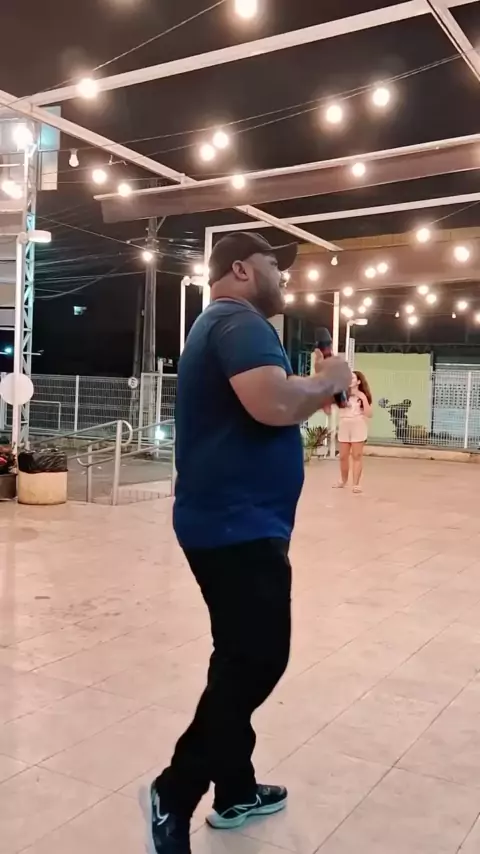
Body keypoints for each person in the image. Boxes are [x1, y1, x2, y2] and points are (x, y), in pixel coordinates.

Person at [149, 231, 352, 854]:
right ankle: (175, 789)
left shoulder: (219, 324)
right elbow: (273, 403)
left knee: (236, 657)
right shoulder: (240, 321)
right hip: (238, 526)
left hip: (226, 521)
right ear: (240, 269)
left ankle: (235, 789)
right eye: (274, 264)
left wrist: (310, 389)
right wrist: (329, 379)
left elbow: (269, 405)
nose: (283, 277)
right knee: (260, 658)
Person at [335, 370, 373, 493]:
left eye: (352, 378)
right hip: (344, 424)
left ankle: (356, 484)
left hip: (358, 424)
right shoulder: (342, 394)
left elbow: (369, 414)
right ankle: (343, 480)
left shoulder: (363, 395)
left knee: (357, 455)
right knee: (343, 456)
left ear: (358, 381)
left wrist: (363, 398)